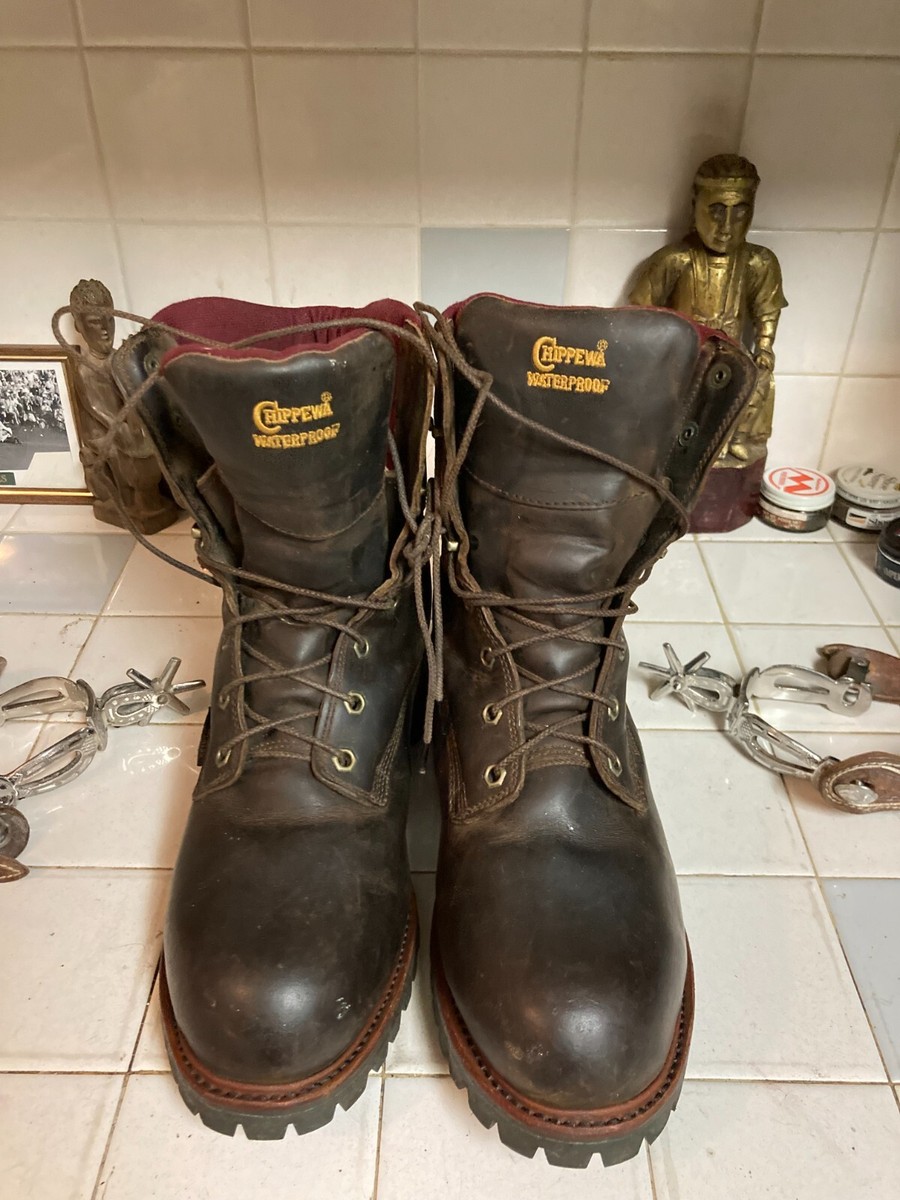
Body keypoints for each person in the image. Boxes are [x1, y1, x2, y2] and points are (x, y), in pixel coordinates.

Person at [629, 154, 787, 463]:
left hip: (733, 355)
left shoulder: (759, 262)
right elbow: (641, 312)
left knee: (758, 382)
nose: (726, 227)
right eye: (716, 211)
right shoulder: (674, 260)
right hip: (685, 357)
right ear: (694, 207)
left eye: (739, 212)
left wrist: (765, 346)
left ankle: (736, 437)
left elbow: (767, 308)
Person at [69, 279, 179, 532]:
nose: (106, 330)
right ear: (79, 326)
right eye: (96, 323)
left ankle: (168, 495)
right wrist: (130, 434)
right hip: (105, 435)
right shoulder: (85, 369)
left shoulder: (122, 359)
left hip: (129, 426)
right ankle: (141, 502)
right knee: (135, 451)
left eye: (109, 320)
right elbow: (101, 413)